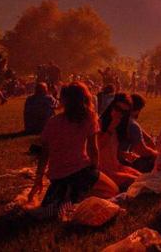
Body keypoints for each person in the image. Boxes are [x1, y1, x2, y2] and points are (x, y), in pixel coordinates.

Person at [28, 83, 118, 215]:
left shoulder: (52, 122)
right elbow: (93, 149)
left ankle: (69, 196)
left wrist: (39, 178)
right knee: (112, 190)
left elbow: (44, 153)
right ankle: (78, 196)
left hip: (57, 176)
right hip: (82, 171)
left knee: (57, 201)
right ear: (85, 99)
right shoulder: (89, 119)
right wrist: (95, 172)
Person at [120, 94, 158, 173]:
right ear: (138, 110)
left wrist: (149, 139)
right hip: (121, 162)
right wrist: (157, 154)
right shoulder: (132, 125)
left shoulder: (120, 118)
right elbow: (142, 151)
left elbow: (146, 137)